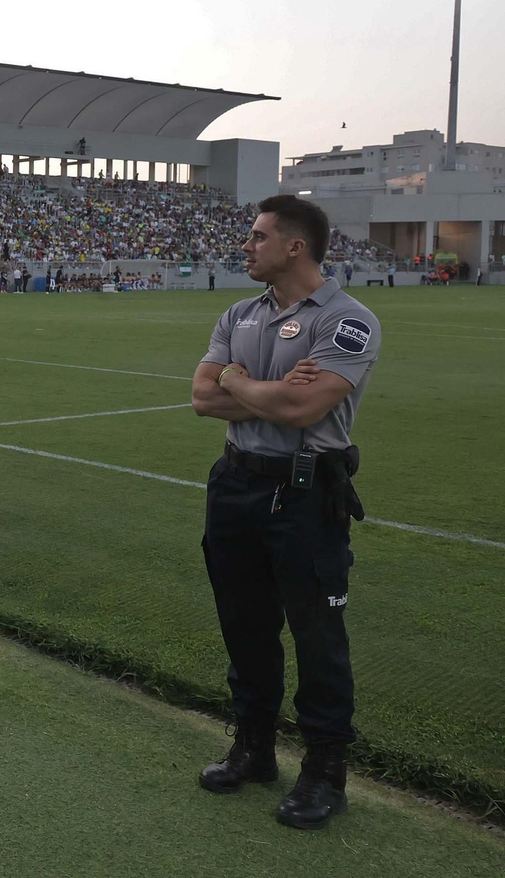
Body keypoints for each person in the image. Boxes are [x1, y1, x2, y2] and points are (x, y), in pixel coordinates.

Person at [190, 194, 380, 831]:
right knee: (245, 627)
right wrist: (268, 393)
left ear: (294, 246)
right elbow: (200, 398)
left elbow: (305, 410)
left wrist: (240, 383)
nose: (246, 246)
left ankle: (325, 775)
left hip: (304, 495)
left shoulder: (347, 319)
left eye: (258, 236)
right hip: (236, 485)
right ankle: (254, 750)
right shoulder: (239, 311)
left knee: (317, 637)